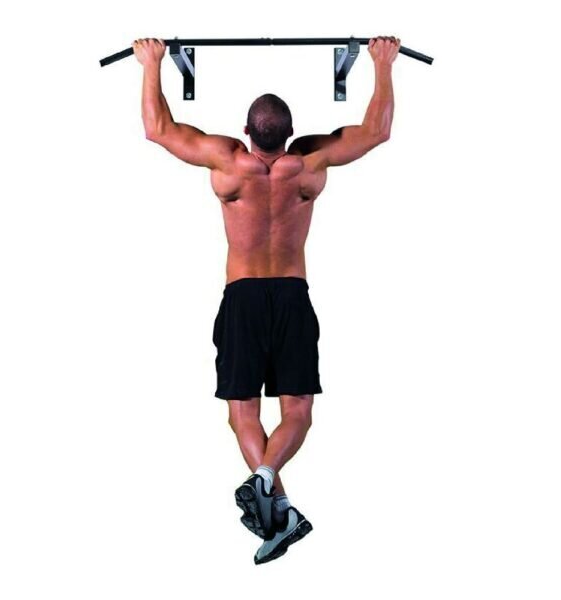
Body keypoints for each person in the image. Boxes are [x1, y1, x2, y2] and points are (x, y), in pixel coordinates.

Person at [132, 35, 401, 564]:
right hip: (292, 295)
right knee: (298, 412)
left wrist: (152, 62)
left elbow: (157, 128)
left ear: (246, 130)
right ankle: (273, 494)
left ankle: (268, 488)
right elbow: (377, 130)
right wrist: (382, 63)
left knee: (242, 412)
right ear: (291, 133)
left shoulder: (227, 162)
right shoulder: (311, 163)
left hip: (243, 297)